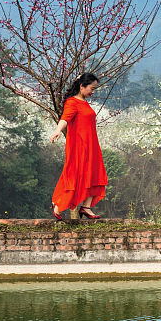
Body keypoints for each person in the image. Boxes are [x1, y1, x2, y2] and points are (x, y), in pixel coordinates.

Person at [49, 73, 108, 221]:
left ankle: (86, 207)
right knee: (74, 174)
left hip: (92, 145)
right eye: (92, 88)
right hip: (79, 146)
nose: (93, 92)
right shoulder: (72, 102)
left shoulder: (85, 103)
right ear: (82, 86)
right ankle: (58, 205)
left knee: (96, 174)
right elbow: (65, 119)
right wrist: (58, 130)